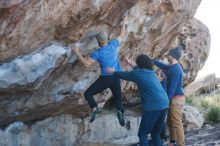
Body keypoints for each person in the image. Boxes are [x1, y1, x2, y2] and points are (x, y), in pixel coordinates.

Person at [71, 17, 128, 126]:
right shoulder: (113, 45)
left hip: (105, 79)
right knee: (118, 99)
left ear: (98, 42)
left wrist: (77, 52)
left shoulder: (98, 53)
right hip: (116, 77)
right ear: (107, 39)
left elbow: (86, 64)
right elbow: (122, 35)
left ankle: (95, 108)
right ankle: (120, 111)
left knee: (88, 93)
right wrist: (124, 23)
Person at [107, 54, 169, 146]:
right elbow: (140, 72)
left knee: (142, 134)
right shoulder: (151, 72)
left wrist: (113, 71)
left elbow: (124, 75)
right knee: (155, 134)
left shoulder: (137, 74)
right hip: (164, 103)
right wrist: (131, 64)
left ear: (139, 64)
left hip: (153, 106)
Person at [153, 47, 185, 146]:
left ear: (173, 56)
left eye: (169, 54)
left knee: (176, 122)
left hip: (176, 98)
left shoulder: (176, 69)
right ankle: (172, 142)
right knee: (170, 121)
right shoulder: (172, 66)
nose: (168, 55)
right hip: (174, 97)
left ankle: (181, 144)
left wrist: (166, 101)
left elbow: (172, 88)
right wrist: (153, 61)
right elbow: (164, 66)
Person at [156, 69, 168, 146]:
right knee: (161, 121)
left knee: (161, 122)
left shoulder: (161, 84)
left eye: (157, 74)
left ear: (161, 77)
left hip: (161, 105)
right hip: (163, 105)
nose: (155, 75)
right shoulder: (161, 82)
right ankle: (162, 138)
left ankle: (162, 139)